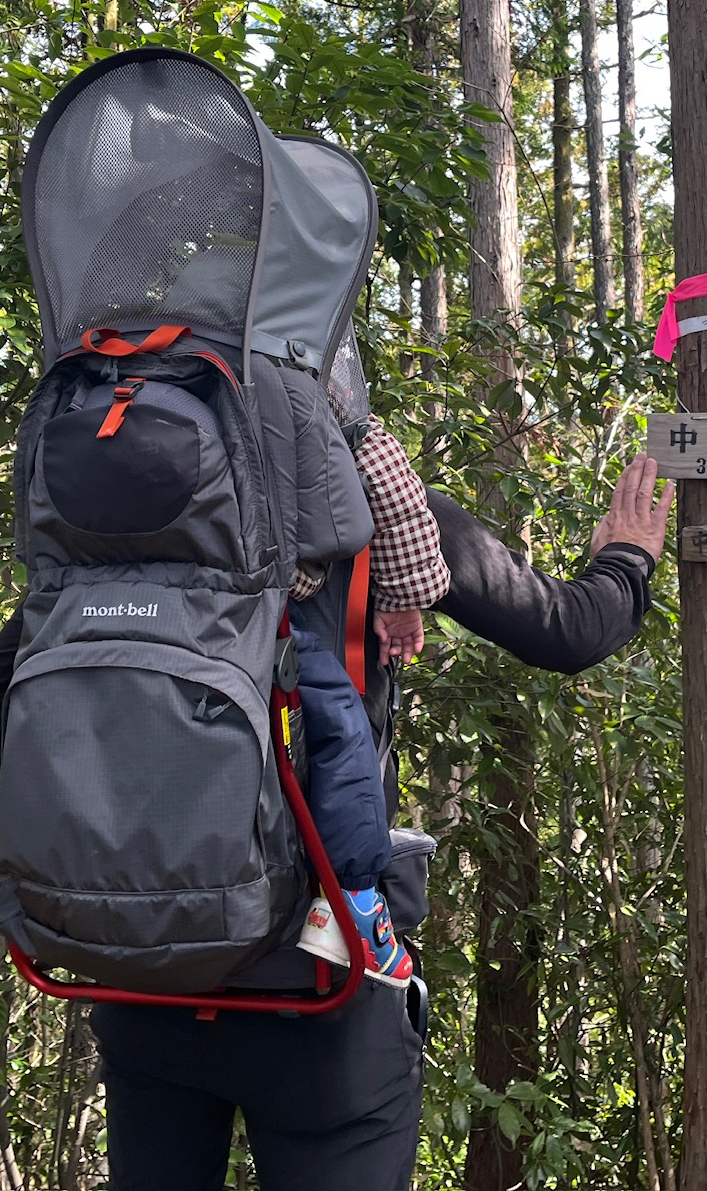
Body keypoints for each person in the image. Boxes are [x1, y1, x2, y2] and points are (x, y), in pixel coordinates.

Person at [0, 455, 674, 1191]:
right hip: (315, 988)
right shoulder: (370, 509)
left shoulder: (112, 537)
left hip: (141, 988)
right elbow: (567, 631)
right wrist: (625, 559)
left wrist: (84, 888)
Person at [284, 414, 450, 987]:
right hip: (255, 612)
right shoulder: (285, 357)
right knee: (341, 728)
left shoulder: (96, 366)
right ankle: (352, 905)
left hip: (88, 612)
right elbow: (379, 467)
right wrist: (406, 596)